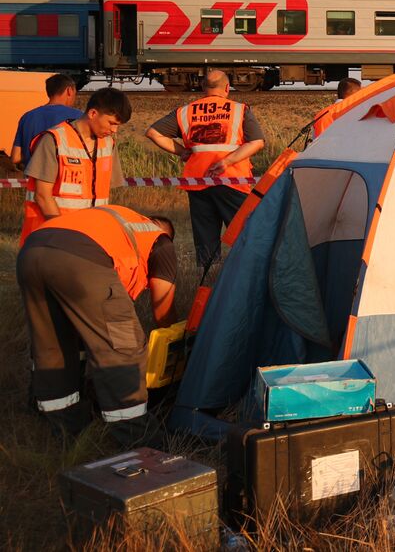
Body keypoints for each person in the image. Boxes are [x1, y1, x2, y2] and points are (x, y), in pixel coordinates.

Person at [17, 205, 176, 446]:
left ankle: (62, 427)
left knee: (54, 345)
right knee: (123, 347)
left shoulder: (115, 220)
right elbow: (163, 310)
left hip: (31, 250)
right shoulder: (161, 241)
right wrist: (173, 341)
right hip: (80, 259)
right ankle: (136, 435)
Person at [146, 70, 266, 267]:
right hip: (232, 180)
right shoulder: (239, 110)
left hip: (198, 182)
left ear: (203, 88)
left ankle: (206, 281)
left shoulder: (186, 111)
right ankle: (246, 275)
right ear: (227, 88)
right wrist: (227, 162)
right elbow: (257, 142)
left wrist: (182, 152)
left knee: (206, 240)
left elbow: (153, 133)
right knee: (244, 235)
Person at [21, 87, 129, 242]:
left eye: (118, 125)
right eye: (111, 123)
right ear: (93, 114)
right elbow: (42, 195)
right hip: (50, 237)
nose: (114, 130)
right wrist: (64, 236)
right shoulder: (54, 140)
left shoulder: (108, 143)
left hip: (89, 235)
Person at [9, 73, 82, 170]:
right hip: (67, 179)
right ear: (69, 91)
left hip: (34, 178)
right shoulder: (79, 117)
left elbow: (15, 157)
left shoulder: (27, 117)